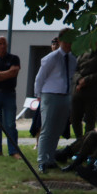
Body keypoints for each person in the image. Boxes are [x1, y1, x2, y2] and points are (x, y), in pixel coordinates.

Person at [34, 27, 77, 172]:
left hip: (65, 96)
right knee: (47, 128)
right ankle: (42, 160)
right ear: (59, 41)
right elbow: (40, 78)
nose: (68, 44)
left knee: (57, 129)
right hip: (50, 95)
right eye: (66, 41)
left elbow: (70, 79)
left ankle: (51, 158)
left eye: (71, 41)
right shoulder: (51, 58)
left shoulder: (72, 59)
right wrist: (38, 95)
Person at [71, 42, 97, 140]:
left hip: (93, 92)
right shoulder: (83, 53)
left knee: (90, 119)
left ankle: (87, 141)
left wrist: (86, 80)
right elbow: (75, 70)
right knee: (74, 118)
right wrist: (79, 80)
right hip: (78, 91)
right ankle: (79, 140)